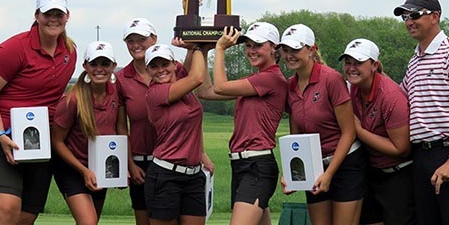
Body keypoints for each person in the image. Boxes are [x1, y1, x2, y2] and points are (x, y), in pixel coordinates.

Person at [0, 0, 77, 225]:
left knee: (27, 215)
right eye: (47, 13)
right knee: (7, 207)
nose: (53, 19)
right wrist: (0, 134)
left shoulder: (70, 53)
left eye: (58, 14)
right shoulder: (14, 48)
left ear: (67, 16)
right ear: (37, 15)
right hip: (4, 137)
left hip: (40, 143)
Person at [197, 23, 288, 225]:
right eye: (248, 45)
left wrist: (219, 49)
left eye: (258, 45)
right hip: (241, 165)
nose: (251, 51)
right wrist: (202, 51)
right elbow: (205, 92)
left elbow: (220, 86)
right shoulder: (255, 81)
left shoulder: (271, 79)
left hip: (257, 165)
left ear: (274, 47)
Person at [279, 24, 363, 225]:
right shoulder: (290, 86)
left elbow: (348, 133)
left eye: (296, 50)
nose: (290, 55)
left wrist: (329, 174)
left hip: (346, 164)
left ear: (312, 49)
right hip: (314, 165)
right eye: (286, 50)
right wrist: (291, 175)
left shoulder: (331, 79)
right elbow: (296, 137)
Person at [394, 0, 449, 225]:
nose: (409, 21)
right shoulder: (415, 60)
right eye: (405, 17)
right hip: (420, 156)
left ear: (435, 17)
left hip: (448, 153)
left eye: (415, 15)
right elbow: (398, 99)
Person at [339, 38, 416, 225]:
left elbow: (401, 149)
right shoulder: (352, 89)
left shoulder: (390, 96)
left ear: (374, 65)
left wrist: (358, 129)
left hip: (397, 175)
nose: (351, 68)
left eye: (358, 63)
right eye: (347, 62)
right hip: (369, 171)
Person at [51, 41, 127, 225]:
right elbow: (57, 142)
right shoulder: (72, 100)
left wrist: (122, 169)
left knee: (93, 221)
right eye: (94, 64)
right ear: (85, 66)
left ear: (113, 66)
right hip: (72, 169)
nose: (99, 69)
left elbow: (120, 131)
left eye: (105, 63)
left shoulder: (116, 93)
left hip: (101, 168)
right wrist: (84, 170)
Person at [144, 43, 207, 225]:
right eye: (154, 66)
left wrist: (193, 47)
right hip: (165, 175)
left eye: (165, 64)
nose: (160, 70)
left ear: (174, 64)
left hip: (194, 176)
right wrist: (196, 46)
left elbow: (188, 71)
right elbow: (196, 78)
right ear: (148, 70)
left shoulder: (180, 82)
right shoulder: (155, 93)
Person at [115, 18, 159, 225]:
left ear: (154, 39)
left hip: (171, 160)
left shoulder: (172, 68)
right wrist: (130, 164)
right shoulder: (121, 78)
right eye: (130, 41)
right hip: (141, 162)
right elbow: (121, 127)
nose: (135, 45)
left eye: (141, 39)